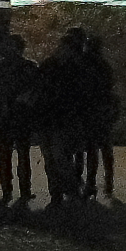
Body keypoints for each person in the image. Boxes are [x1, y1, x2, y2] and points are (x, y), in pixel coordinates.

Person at [36, 26, 92, 204]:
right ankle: (58, 193)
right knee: (53, 158)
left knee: (59, 157)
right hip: (51, 117)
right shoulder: (54, 66)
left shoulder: (73, 68)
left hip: (62, 119)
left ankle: (68, 190)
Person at [0, 34, 39, 202]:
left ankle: (13, 191)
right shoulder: (26, 67)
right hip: (14, 117)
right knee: (16, 155)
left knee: (12, 155)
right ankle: (18, 190)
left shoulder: (0, 67)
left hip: (12, 117)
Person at [79, 33, 119, 198]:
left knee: (92, 149)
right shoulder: (103, 65)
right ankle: (107, 183)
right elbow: (110, 85)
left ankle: (91, 183)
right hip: (102, 109)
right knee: (105, 149)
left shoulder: (84, 65)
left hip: (90, 110)